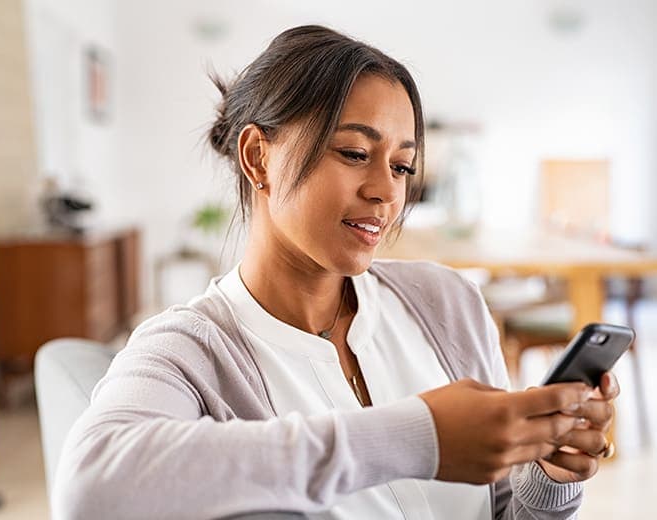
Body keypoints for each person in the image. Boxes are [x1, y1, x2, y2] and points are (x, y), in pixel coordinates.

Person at [53, 25, 619, 520]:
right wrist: (419, 438)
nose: (385, 191)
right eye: (353, 153)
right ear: (258, 157)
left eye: (402, 166)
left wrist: (547, 479)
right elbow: (90, 492)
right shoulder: (191, 349)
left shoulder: (448, 303)